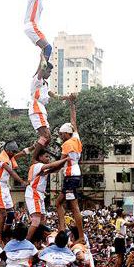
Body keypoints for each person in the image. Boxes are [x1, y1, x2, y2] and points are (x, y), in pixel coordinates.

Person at [28, 59, 74, 163]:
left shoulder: (45, 84)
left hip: (42, 109)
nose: (49, 74)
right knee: (46, 136)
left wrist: (68, 97)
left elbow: (56, 96)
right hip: (36, 108)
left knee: (48, 138)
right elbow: (42, 66)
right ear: (43, 71)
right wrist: (43, 56)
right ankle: (34, 158)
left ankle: (36, 153)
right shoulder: (37, 80)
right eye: (48, 71)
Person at [54, 98, 84, 242]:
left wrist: (47, 170)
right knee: (58, 203)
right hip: (74, 175)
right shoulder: (76, 138)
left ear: (66, 133)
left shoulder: (67, 144)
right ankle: (62, 229)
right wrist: (72, 104)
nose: (61, 137)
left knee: (74, 207)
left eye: (61, 134)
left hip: (70, 176)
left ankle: (81, 236)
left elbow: (60, 163)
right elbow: (74, 122)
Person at [25, 148, 69, 241]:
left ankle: (38, 240)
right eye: (46, 156)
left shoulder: (43, 168)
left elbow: (56, 169)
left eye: (49, 156)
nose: (48, 158)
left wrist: (63, 161)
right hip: (34, 193)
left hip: (40, 194)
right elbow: (52, 165)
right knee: (36, 220)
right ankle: (26, 241)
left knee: (42, 220)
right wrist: (65, 159)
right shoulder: (37, 165)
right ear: (40, 157)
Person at [0, 141, 28, 234]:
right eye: (13, 152)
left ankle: (4, 233)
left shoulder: (9, 157)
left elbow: (23, 153)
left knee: (11, 214)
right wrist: (22, 181)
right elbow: (11, 172)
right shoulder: (1, 158)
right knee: (3, 214)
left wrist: (34, 146)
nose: (14, 154)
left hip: (5, 188)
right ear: (7, 151)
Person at [24, 0, 52, 64]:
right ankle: (41, 74)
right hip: (32, 25)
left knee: (44, 51)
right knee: (48, 48)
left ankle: (38, 75)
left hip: (32, 27)